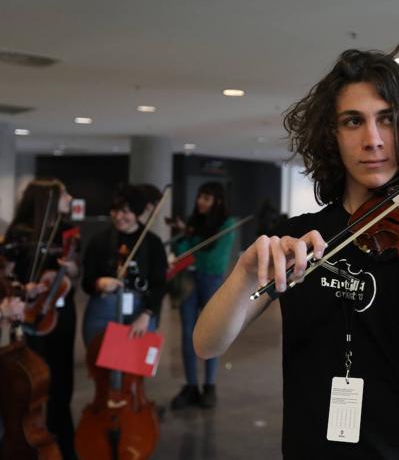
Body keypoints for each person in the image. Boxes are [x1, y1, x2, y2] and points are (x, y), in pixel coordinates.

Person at [194, 44, 399, 459]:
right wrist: (243, 275)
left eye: (387, 120)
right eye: (353, 122)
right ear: (332, 134)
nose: (373, 139)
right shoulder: (298, 237)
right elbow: (206, 343)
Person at [2, 179, 79, 460]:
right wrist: (24, 289)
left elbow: (74, 274)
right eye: (63, 194)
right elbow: (6, 275)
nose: (69, 197)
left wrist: (70, 269)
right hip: (28, 314)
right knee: (30, 386)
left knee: (61, 383)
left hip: (60, 314)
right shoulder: (20, 233)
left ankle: (64, 445)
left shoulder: (64, 231)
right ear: (46, 200)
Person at [170, 181, 236, 410]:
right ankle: (191, 386)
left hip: (211, 281)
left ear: (217, 200)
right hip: (188, 281)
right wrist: (185, 240)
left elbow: (214, 262)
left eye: (206, 198)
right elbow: (180, 253)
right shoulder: (193, 222)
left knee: (211, 332)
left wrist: (190, 245)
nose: (200, 201)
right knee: (188, 334)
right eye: (200, 196)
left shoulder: (228, 224)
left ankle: (209, 386)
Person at [81, 184, 167, 345]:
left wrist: (146, 315)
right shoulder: (99, 241)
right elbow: (86, 282)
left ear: (137, 212)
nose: (118, 216)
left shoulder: (153, 243)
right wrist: (99, 283)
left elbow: (160, 285)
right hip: (103, 310)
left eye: (125, 211)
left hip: (141, 312)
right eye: (115, 210)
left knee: (135, 367)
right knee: (99, 365)